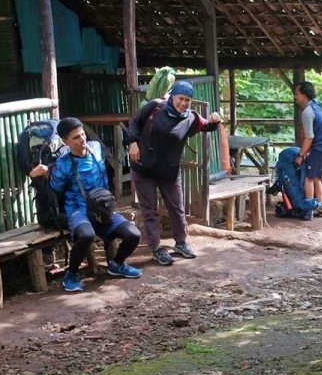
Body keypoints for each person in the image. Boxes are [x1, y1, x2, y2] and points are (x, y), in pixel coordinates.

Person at [30, 117, 142, 293]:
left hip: (102, 208)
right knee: (86, 235)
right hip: (78, 209)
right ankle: (72, 275)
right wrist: (39, 175)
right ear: (65, 141)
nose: (82, 139)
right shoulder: (63, 163)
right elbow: (55, 189)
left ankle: (117, 264)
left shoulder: (95, 148)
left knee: (133, 234)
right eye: (76, 137)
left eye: (82, 134)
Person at [126, 81, 223, 266]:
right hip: (144, 167)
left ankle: (181, 242)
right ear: (172, 97)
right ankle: (156, 248)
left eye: (188, 100)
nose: (183, 103)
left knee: (177, 207)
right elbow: (135, 122)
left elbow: (208, 127)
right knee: (150, 210)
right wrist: (132, 142)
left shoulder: (191, 118)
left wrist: (215, 120)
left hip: (169, 170)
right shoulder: (156, 107)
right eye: (180, 98)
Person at [293, 81, 322, 217]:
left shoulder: (307, 112)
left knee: (308, 177)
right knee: (317, 177)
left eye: (297, 93)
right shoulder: (316, 106)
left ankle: (309, 209)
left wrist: (300, 155)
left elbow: (309, 137)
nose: (295, 96)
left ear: (304, 95)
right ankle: (320, 206)